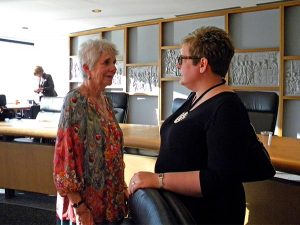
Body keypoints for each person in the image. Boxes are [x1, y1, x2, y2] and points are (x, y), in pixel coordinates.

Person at [128, 26, 274, 224]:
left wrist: (158, 180)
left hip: (205, 215)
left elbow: (217, 179)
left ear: (202, 64)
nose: (178, 66)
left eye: (182, 59)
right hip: (178, 207)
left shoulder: (226, 108)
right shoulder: (196, 96)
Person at [53, 39, 128, 225]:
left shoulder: (106, 101)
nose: (114, 68)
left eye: (114, 63)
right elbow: (65, 160)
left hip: (111, 203)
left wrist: (121, 186)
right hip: (86, 208)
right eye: (106, 63)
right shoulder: (75, 101)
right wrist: (80, 207)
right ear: (87, 68)